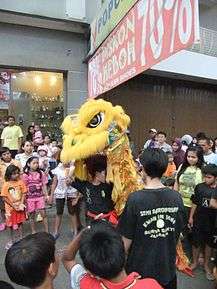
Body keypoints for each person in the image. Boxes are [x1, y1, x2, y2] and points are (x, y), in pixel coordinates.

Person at [118, 148, 185, 289]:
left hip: (139, 274)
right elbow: (177, 232)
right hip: (167, 271)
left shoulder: (135, 199)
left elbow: (124, 244)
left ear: (143, 169)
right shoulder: (176, 197)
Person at [62, 221, 163, 289]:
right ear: (124, 252)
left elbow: (67, 259)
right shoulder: (151, 285)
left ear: (91, 272)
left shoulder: (86, 283)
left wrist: (86, 231)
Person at [188, 164, 217, 280]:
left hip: (212, 222)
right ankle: (194, 262)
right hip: (199, 219)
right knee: (196, 242)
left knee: (209, 244)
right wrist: (191, 217)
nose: (206, 179)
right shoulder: (199, 187)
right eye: (205, 176)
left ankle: (206, 266)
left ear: (215, 177)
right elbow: (195, 202)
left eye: (209, 177)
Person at [69, 155, 115, 225]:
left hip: (107, 219)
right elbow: (69, 180)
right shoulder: (85, 186)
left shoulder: (108, 185)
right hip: (91, 220)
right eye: (104, 173)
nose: (106, 176)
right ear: (97, 174)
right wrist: (72, 165)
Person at [174, 146, 204, 256]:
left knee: (193, 231)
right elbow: (176, 183)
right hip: (181, 203)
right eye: (188, 156)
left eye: (194, 157)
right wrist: (175, 198)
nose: (190, 159)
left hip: (195, 206)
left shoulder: (202, 170)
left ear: (199, 158)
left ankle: (195, 255)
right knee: (181, 230)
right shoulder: (182, 166)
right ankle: (181, 255)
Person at [49, 162, 81, 240]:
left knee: (72, 212)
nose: (67, 161)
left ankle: (75, 231)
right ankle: (56, 231)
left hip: (71, 192)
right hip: (60, 192)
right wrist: (51, 196)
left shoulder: (74, 168)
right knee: (59, 212)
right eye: (65, 159)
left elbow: (79, 183)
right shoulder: (57, 169)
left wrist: (77, 196)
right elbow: (54, 183)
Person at [1, 165, 26, 249]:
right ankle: (11, 240)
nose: (17, 175)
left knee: (20, 223)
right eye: (14, 174)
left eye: (17, 173)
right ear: (9, 174)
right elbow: (4, 197)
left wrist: (21, 203)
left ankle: (21, 238)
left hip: (20, 207)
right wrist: (13, 206)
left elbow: (24, 193)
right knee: (10, 225)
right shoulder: (6, 184)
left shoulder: (20, 182)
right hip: (10, 209)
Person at [22, 157, 49, 234]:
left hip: (40, 197)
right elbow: (23, 188)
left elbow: (44, 185)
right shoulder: (25, 175)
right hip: (30, 198)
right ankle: (33, 231)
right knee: (31, 215)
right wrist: (24, 200)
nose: (36, 165)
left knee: (43, 213)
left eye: (37, 163)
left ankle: (47, 231)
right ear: (28, 164)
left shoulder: (41, 173)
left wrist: (46, 196)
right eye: (34, 163)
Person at [0, 147, 21, 231]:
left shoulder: (16, 162)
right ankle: (3, 221)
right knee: (2, 207)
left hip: (15, 189)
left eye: (8, 153)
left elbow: (20, 175)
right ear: (1, 156)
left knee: (13, 205)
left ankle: (14, 221)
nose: (7, 155)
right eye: (4, 154)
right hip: (3, 188)